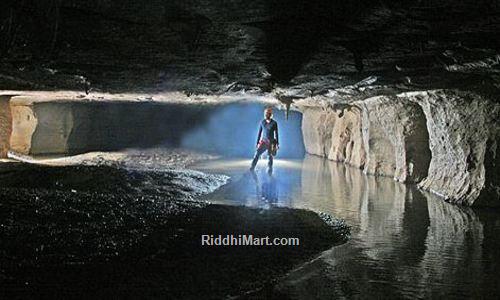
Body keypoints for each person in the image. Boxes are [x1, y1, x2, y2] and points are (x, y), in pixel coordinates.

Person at [250, 107, 279, 174]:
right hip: (264, 142)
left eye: (268, 113)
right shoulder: (262, 122)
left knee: (270, 156)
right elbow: (259, 133)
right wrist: (257, 143)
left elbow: (276, 133)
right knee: (257, 154)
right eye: (265, 113)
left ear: (271, 114)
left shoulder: (274, 123)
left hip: (271, 142)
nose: (266, 115)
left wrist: (277, 143)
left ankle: (270, 171)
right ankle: (252, 167)